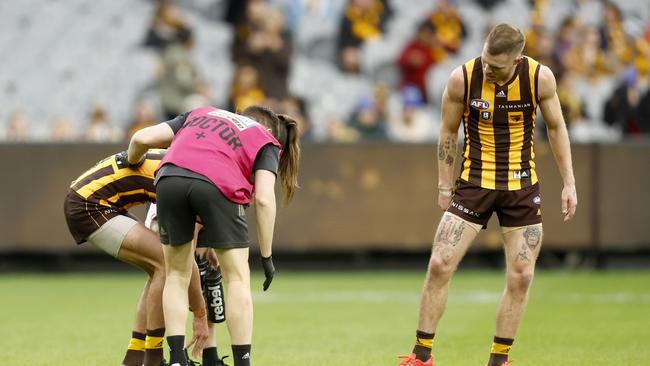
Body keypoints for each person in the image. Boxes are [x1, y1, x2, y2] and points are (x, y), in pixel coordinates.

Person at [398, 24, 578, 366]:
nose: (487, 70)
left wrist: (569, 182)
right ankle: (421, 356)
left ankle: (499, 360)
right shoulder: (461, 79)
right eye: (484, 61)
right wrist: (443, 184)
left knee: (522, 275)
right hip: (473, 183)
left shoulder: (540, 78)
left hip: (521, 187)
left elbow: (556, 127)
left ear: (517, 60)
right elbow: (448, 131)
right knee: (439, 263)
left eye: (496, 66)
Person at [125, 105, 301, 366]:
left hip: (168, 177)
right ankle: (243, 362)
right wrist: (266, 255)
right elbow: (264, 199)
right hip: (218, 184)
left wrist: (132, 162)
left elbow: (140, 139)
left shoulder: (200, 112)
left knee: (176, 274)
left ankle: (176, 360)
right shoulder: (265, 138)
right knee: (237, 278)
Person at [63, 150, 209, 366]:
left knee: (159, 267)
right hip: (89, 204)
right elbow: (185, 262)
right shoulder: (193, 183)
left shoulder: (184, 165)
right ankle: (153, 359)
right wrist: (200, 313)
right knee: (166, 263)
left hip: (93, 199)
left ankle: (135, 357)